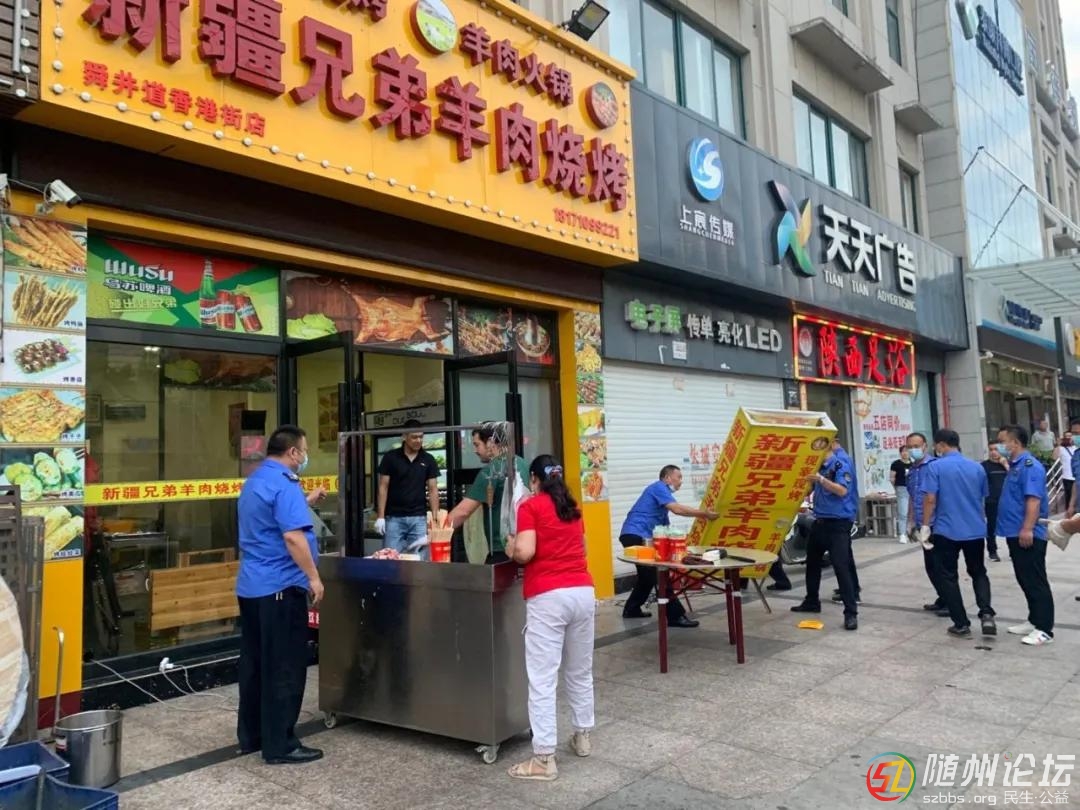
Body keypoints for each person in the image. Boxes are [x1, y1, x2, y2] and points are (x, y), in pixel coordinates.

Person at [236, 425, 327, 764]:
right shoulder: (286, 483)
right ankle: (281, 745)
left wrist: (306, 502)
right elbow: (292, 537)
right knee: (284, 667)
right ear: (292, 452)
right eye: (304, 450)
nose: (305, 456)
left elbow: (268, 520)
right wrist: (314, 578)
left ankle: (253, 736)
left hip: (251, 588)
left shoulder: (256, 480)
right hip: (280, 587)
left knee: (256, 664)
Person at [504, 456, 595, 782]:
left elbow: (525, 552)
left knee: (543, 678)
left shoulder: (530, 506)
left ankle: (544, 759)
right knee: (579, 671)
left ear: (534, 479)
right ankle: (582, 736)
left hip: (549, 596)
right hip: (583, 593)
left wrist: (511, 545)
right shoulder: (573, 507)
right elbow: (583, 548)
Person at [618, 466, 719, 628]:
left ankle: (632, 609)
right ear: (667, 478)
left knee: (647, 576)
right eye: (679, 477)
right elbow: (677, 509)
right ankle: (675, 616)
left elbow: (665, 532)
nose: (681, 481)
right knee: (658, 576)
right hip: (636, 534)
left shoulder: (661, 504)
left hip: (637, 535)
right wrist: (704, 514)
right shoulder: (659, 488)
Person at [921, 429, 995, 638]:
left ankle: (961, 623)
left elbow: (930, 499)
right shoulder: (977, 467)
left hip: (947, 530)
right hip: (974, 529)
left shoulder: (935, 467)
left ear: (941, 445)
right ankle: (986, 613)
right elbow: (982, 497)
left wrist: (925, 525)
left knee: (948, 576)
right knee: (978, 572)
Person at [791, 438, 860, 630]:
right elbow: (810, 490)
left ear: (828, 446)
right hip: (820, 521)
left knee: (841, 566)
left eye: (817, 447)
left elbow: (842, 490)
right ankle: (811, 600)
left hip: (838, 524)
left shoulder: (840, 465)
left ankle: (851, 612)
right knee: (812, 562)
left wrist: (821, 479)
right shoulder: (818, 467)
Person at [995, 425, 1054, 646]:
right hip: (1014, 531)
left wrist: (1028, 528)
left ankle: (1045, 629)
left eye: (1002, 441)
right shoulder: (1015, 466)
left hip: (1028, 533)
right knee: (1024, 578)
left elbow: (1033, 500)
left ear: (1015, 443)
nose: (999, 445)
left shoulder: (1030, 466)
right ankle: (1034, 620)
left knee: (1035, 580)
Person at [446, 423, 530, 563]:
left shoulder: (491, 470)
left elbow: (463, 512)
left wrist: (437, 531)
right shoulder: (523, 464)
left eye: (477, 445)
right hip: (525, 544)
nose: (475, 450)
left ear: (490, 442)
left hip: (501, 548)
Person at [375, 420, 441, 558]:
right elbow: (383, 487)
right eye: (414, 437)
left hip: (419, 518)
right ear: (404, 437)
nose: (418, 440)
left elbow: (433, 489)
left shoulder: (428, 459)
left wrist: (435, 519)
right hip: (393, 518)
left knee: (420, 560)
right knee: (390, 558)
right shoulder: (390, 458)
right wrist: (380, 517)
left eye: (421, 437)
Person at [906, 432, 947, 616]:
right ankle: (943, 597)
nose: (913, 450)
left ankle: (949, 602)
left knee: (939, 566)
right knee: (930, 565)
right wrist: (910, 521)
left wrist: (927, 524)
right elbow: (913, 497)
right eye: (909, 447)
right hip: (921, 523)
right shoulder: (912, 470)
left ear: (925, 446)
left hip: (935, 524)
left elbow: (935, 497)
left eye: (916, 446)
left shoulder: (934, 466)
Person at [982, 443, 1008, 563]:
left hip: (1007, 501)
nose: (993, 452)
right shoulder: (984, 466)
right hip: (992, 501)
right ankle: (992, 551)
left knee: (1010, 525)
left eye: (996, 449)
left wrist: (1005, 464)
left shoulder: (1008, 464)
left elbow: (1015, 476)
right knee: (991, 526)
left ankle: (1013, 550)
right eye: (991, 449)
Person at [890, 447, 913, 543]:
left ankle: (910, 532)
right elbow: (892, 478)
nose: (905, 453)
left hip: (913, 490)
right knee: (903, 512)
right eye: (903, 451)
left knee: (912, 513)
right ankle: (902, 534)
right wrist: (895, 488)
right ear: (900, 453)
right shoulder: (896, 464)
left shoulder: (913, 464)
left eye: (907, 451)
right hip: (902, 488)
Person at [1055, 429, 1075, 512]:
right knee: (1068, 497)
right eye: (1066, 436)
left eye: (1070, 436)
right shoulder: (1061, 449)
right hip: (1067, 477)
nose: (1068, 438)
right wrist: (1058, 445)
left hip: (1076, 476)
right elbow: (1054, 457)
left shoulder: (1076, 447)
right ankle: (1069, 513)